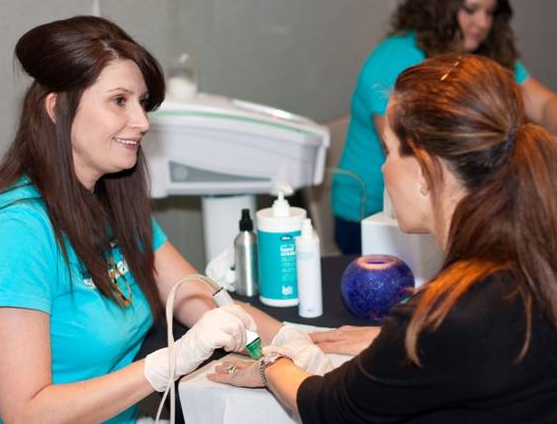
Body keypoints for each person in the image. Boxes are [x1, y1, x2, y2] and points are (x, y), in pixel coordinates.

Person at [0, 16, 280, 423]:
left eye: (142, 102)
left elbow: (198, 298)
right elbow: (28, 412)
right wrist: (166, 364)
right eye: (119, 101)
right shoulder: (14, 233)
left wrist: (297, 342)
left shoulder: (113, 204)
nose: (142, 122)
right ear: (56, 108)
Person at [210, 53, 557, 422]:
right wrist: (391, 343)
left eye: (387, 151)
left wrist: (270, 367)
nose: (383, 168)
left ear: (424, 171)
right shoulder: (532, 263)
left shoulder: (448, 316)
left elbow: (330, 408)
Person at [332, 0, 557, 254]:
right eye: (471, 10)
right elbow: (410, 154)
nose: (483, 22)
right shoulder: (394, 61)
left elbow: (543, 104)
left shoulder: (487, 56)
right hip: (370, 217)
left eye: (490, 13)